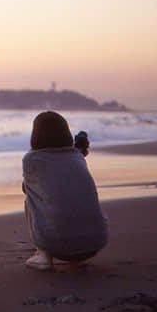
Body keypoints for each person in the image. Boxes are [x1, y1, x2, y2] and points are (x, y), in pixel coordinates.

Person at [22, 111, 108, 271]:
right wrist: (81, 152)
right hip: (96, 242)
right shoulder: (76, 156)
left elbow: (26, 188)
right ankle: (75, 258)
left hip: (56, 245)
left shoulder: (31, 159)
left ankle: (43, 255)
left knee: (30, 199)